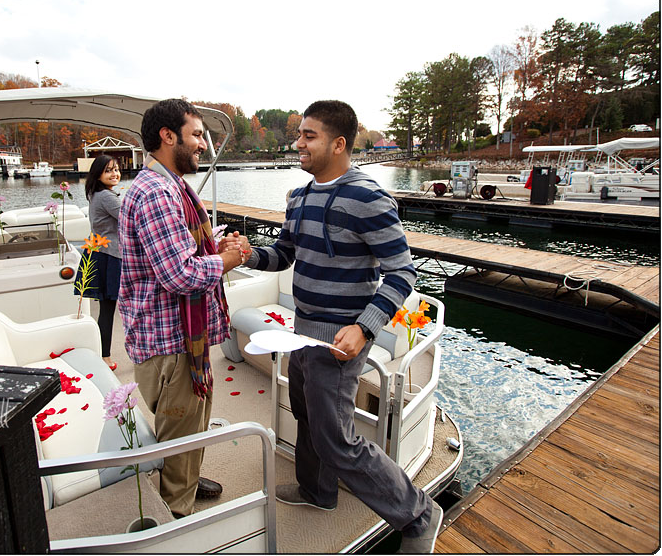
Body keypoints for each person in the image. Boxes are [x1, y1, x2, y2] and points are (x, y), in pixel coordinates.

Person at [240, 100, 444, 553]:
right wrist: (248, 255)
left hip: (340, 339)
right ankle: (318, 491)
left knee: (337, 439)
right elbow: (284, 255)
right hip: (300, 331)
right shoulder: (298, 197)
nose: (298, 142)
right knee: (305, 412)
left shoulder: (368, 198)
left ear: (338, 144)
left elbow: (403, 272)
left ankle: (419, 515)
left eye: (308, 136)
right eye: (299, 134)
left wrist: (365, 328)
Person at [117, 98, 245, 518]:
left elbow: (183, 252)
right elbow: (180, 274)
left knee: (190, 424)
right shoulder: (157, 193)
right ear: (167, 136)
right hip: (169, 342)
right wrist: (228, 261)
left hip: (179, 338)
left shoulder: (169, 185)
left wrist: (216, 247)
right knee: (180, 430)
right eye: (196, 135)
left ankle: (185, 477)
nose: (203, 145)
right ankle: (176, 514)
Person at [80, 154, 122, 370]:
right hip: (109, 256)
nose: (114, 174)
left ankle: (102, 354)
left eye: (116, 169)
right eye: (108, 170)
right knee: (108, 309)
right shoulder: (106, 197)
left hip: (98, 252)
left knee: (106, 309)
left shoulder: (95, 194)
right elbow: (131, 218)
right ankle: (104, 357)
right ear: (98, 174)